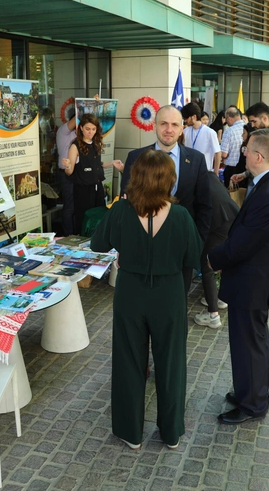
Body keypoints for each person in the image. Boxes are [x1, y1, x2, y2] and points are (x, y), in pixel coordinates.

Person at [91, 149, 203, 450]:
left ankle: (131, 431)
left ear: (135, 178)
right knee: (171, 362)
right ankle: (170, 432)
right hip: (169, 293)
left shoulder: (120, 211)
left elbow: (98, 243)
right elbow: (195, 256)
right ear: (169, 180)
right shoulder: (180, 215)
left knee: (128, 360)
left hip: (130, 291)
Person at [209, 129, 269, 424]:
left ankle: (254, 404)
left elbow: (242, 244)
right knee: (247, 342)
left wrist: (210, 259)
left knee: (250, 345)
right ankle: (246, 391)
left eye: (246, 150)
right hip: (255, 279)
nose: (242, 152)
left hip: (254, 283)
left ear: (258, 157)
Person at [120, 106, 212, 293]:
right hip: (141, 249)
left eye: (174, 125)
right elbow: (126, 203)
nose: (168, 129)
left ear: (181, 129)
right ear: (155, 126)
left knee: (176, 304)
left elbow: (204, 206)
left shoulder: (196, 160)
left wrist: (196, 244)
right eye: (163, 123)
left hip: (181, 250)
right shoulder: (136, 157)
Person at [61, 114, 122, 234]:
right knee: (84, 218)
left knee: (99, 216)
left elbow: (97, 164)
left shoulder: (96, 143)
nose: (90, 132)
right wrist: (67, 165)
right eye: (88, 129)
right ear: (81, 128)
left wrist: (112, 163)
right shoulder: (75, 146)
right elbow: (70, 172)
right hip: (83, 189)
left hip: (97, 186)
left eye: (93, 129)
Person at [193, 172, 239, 329]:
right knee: (223, 261)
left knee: (206, 266)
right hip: (233, 217)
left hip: (218, 222)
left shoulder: (190, 180)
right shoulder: (209, 175)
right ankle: (221, 298)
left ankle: (213, 315)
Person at [181, 102, 221, 172]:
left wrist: (216, 172)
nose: (185, 120)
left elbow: (217, 153)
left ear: (194, 117)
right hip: (189, 171)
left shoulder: (210, 132)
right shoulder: (185, 131)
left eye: (186, 118)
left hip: (205, 171)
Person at [56, 113, 78, 235]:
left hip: (77, 173)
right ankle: (68, 235)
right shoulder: (63, 132)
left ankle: (76, 233)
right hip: (66, 174)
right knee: (69, 206)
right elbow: (76, 120)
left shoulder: (79, 135)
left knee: (76, 206)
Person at [220, 107, 247, 183]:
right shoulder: (248, 128)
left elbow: (224, 154)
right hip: (246, 169)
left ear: (229, 118)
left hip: (232, 169)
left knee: (231, 193)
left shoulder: (228, 131)